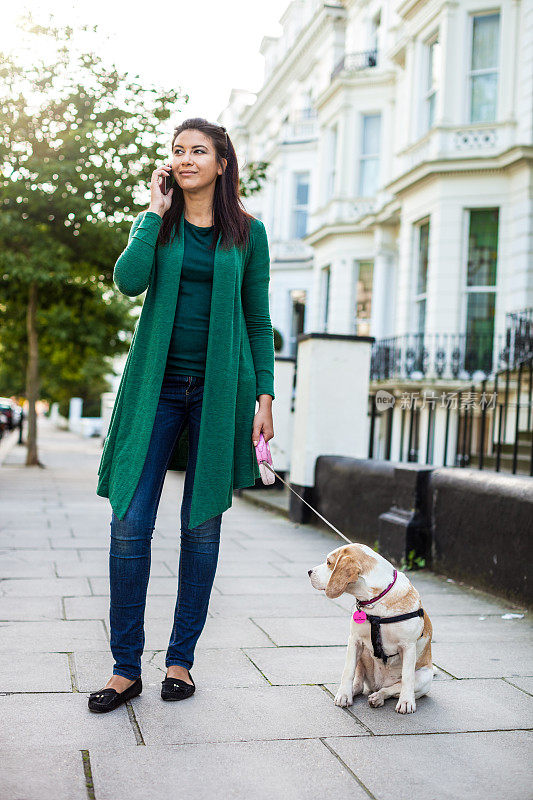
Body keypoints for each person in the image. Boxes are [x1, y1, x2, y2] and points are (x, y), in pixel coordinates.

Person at [89, 118, 275, 713]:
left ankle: (180, 662)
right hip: (158, 389)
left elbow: (257, 319)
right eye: (179, 151)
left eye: (201, 151)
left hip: (220, 392)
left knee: (200, 527)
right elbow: (127, 281)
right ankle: (125, 668)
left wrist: (264, 397)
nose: (187, 158)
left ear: (223, 164)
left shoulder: (248, 233)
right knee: (129, 523)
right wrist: (151, 210)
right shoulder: (159, 226)